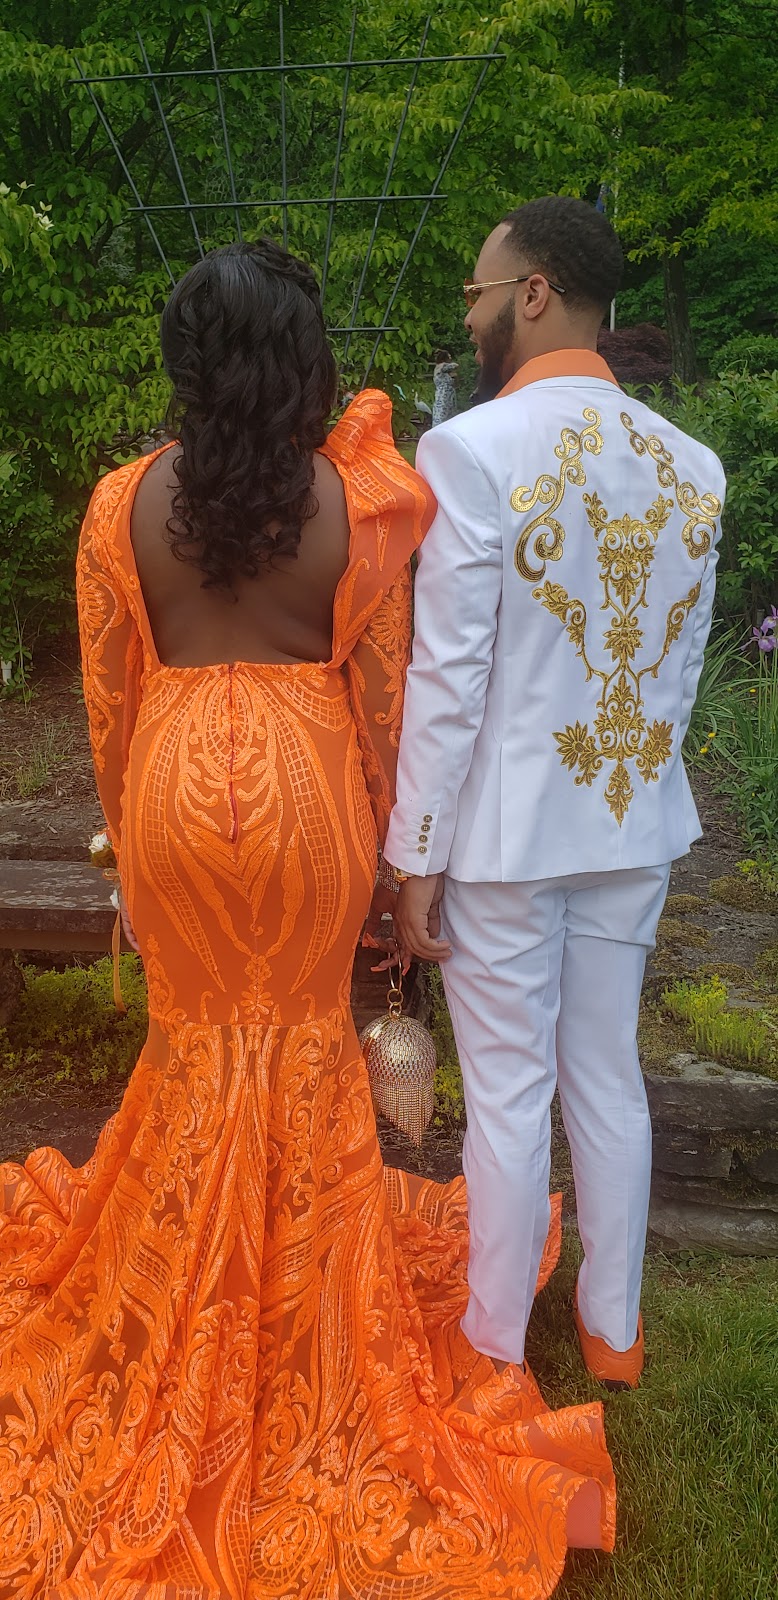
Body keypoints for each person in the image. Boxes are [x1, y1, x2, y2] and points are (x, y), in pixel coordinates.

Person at [0, 239, 614, 1598]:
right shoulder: (356, 504)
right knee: (299, 1042)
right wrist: (398, 866)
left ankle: (176, 1276)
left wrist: (132, 845)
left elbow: (109, 695)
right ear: (302, 362)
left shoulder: (119, 504)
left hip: (172, 791)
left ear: (186, 358)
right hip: (304, 799)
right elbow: (385, 699)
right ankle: (299, 1303)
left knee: (194, 1044)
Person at [386, 196, 726, 1391]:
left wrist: (415, 849)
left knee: (509, 1095)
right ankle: (611, 1332)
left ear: (530, 294)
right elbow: (678, 669)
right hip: (632, 817)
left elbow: (449, 675)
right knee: (607, 1077)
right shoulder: (692, 465)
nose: (468, 317)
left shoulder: (471, 449)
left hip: (504, 835)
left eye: (476, 294)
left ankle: (491, 1344)